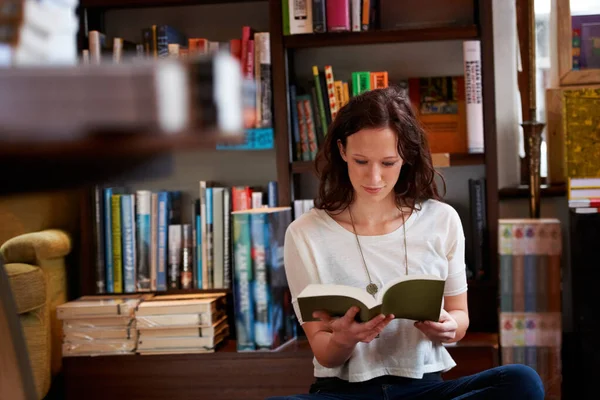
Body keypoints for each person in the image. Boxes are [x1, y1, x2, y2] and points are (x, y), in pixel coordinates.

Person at [268, 87, 544, 400]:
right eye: (361, 161)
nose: (374, 178)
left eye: (388, 163)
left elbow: (460, 317)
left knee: (522, 380)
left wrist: (449, 327)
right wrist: (344, 340)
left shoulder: (442, 220)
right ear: (342, 150)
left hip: (423, 388)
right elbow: (324, 352)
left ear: (406, 157)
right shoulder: (305, 233)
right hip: (343, 393)